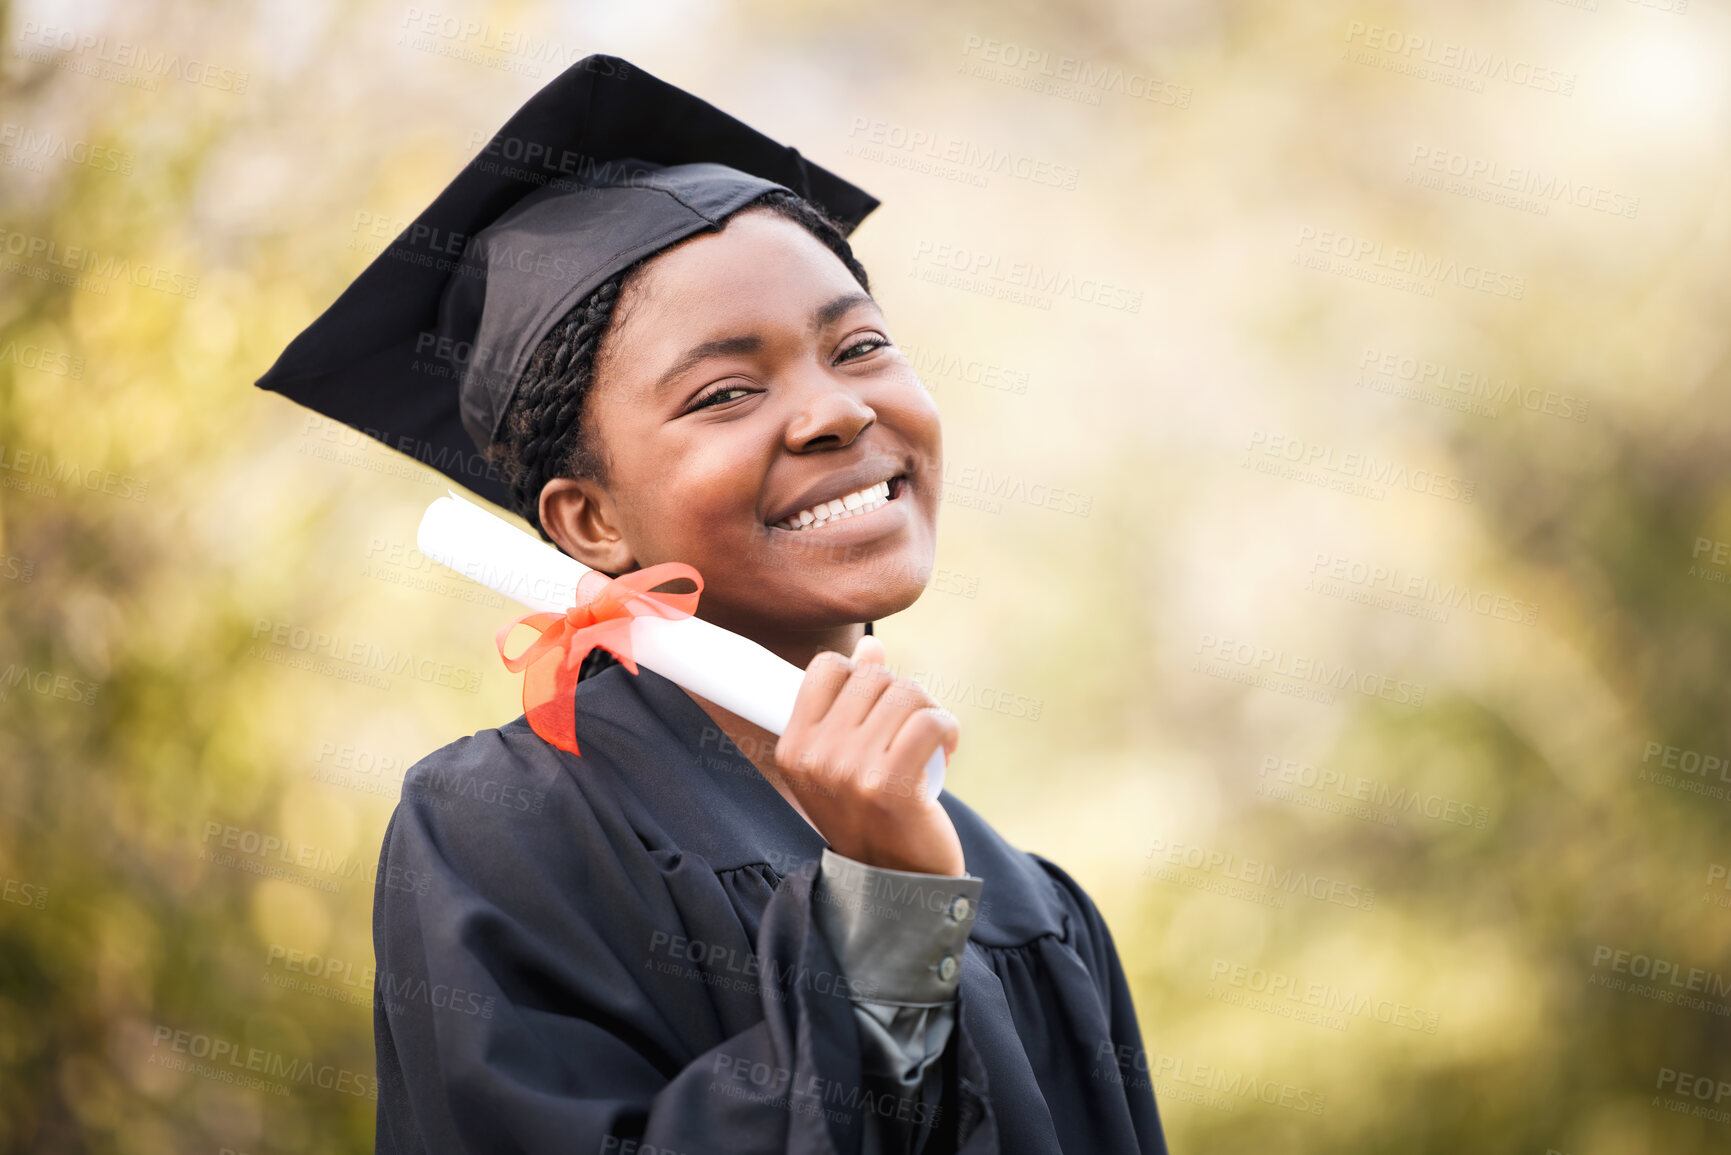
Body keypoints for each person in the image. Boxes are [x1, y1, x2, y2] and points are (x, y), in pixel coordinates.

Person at [255, 54, 1166, 1155]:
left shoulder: (1032, 905)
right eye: (726, 392)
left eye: (861, 345)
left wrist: (905, 886)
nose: (833, 410)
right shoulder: (507, 825)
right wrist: (883, 923)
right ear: (590, 521)